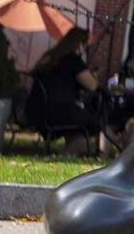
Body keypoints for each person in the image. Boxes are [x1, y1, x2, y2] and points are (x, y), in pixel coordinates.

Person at [31, 26, 99, 154]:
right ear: (79, 45)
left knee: (79, 126)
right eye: (85, 46)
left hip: (35, 110)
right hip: (57, 112)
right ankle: (64, 155)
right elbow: (93, 86)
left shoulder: (50, 56)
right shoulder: (72, 60)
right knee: (93, 124)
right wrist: (94, 76)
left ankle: (70, 151)